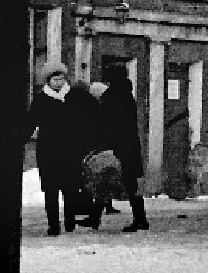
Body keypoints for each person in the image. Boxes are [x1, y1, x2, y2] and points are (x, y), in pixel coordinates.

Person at [28, 63, 107, 235]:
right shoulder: (41, 100)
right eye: (55, 79)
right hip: (48, 152)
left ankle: (70, 223)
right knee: (50, 191)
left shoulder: (75, 96)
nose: (58, 82)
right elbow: (30, 123)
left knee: (70, 190)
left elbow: (91, 117)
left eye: (61, 79)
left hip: (70, 151)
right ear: (48, 81)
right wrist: (19, 141)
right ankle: (53, 226)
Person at [98, 64, 149, 232]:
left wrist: (105, 144)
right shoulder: (128, 95)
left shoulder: (111, 96)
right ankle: (140, 218)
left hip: (116, 145)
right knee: (130, 183)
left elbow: (106, 123)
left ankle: (139, 219)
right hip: (130, 145)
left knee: (107, 177)